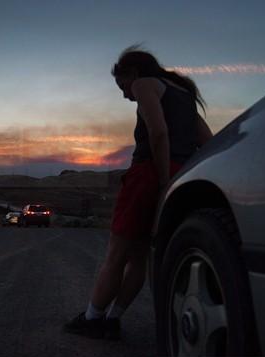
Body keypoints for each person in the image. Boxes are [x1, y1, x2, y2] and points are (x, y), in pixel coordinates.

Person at [64, 45, 213, 340]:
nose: (125, 94)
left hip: (149, 174)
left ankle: (93, 319)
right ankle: (113, 319)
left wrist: (161, 179)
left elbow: (158, 132)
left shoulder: (146, 84)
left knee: (116, 254)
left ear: (133, 73)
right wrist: (179, 179)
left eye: (122, 85)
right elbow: (207, 142)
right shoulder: (185, 96)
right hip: (180, 173)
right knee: (140, 258)